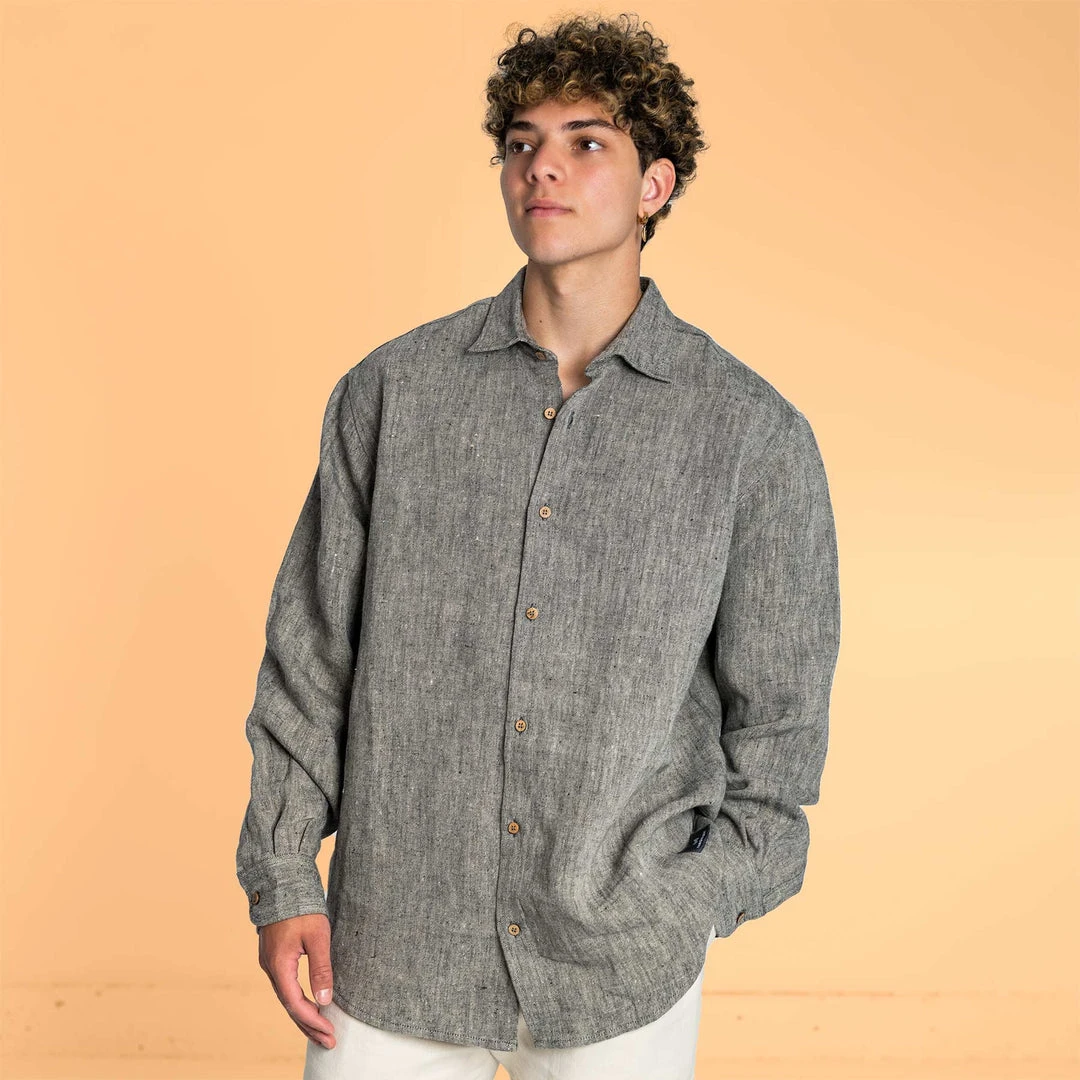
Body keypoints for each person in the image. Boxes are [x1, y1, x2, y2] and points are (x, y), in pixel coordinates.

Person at [235, 11, 841, 1080]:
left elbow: (780, 728)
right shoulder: (392, 394)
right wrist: (285, 876)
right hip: (392, 944)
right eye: (522, 143)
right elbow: (311, 657)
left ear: (655, 184)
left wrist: (689, 903)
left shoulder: (751, 435)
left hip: (621, 964)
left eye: (585, 142)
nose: (541, 168)